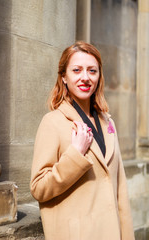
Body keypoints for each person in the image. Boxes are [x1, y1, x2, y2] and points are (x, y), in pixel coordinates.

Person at [30, 41, 135, 240]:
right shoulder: (52, 122)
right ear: (64, 77)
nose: (85, 77)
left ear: (99, 77)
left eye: (92, 71)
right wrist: (75, 154)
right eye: (76, 70)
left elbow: (120, 190)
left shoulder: (107, 122)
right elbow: (38, 188)